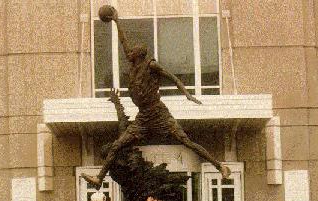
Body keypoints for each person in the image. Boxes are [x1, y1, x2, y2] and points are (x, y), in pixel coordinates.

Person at [81, 7, 231, 189]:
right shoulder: (133, 64)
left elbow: (174, 78)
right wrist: (116, 21)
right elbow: (123, 42)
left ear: (139, 54)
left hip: (159, 113)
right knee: (116, 146)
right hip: (143, 117)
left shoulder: (151, 65)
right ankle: (99, 178)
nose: (130, 52)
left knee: (186, 142)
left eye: (133, 51)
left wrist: (188, 95)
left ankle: (220, 166)